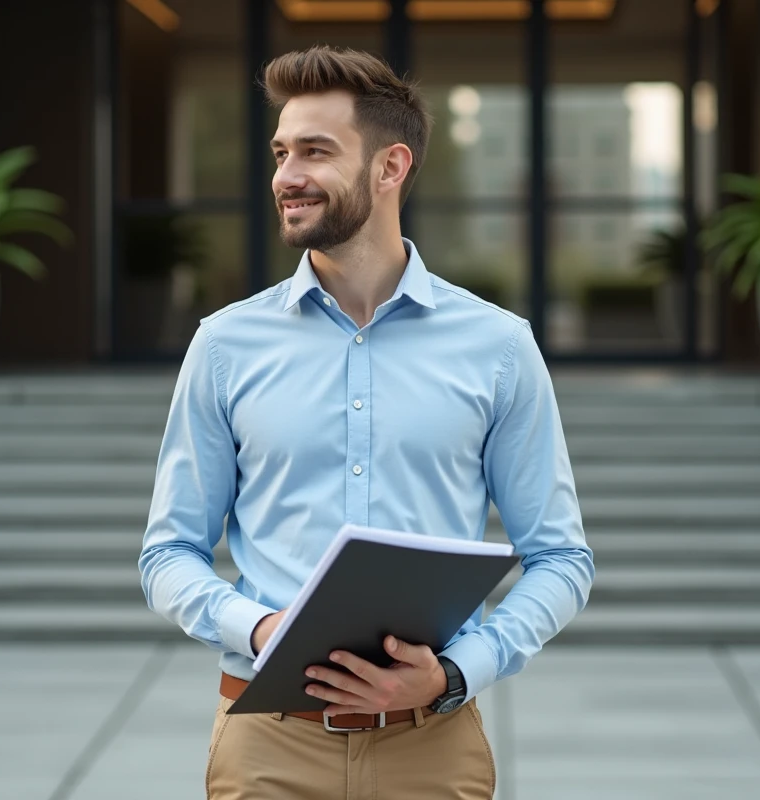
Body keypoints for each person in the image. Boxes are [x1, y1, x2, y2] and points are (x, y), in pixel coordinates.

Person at [139, 44, 594, 800]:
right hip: (269, 746)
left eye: (315, 152)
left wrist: (454, 672)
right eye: (281, 153)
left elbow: (561, 559)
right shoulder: (224, 345)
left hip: (432, 748)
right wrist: (260, 628)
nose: (286, 176)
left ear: (391, 167)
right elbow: (168, 553)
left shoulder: (499, 347)